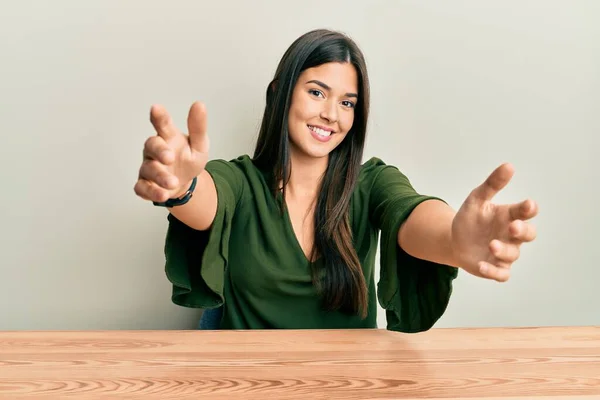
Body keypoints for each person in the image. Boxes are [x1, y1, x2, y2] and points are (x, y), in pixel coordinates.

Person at [134, 29, 538, 331]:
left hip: (349, 385)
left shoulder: (371, 184)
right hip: (249, 383)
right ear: (279, 93)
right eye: (316, 93)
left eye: (347, 103)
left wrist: (455, 240)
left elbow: (411, 213)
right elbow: (204, 199)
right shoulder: (240, 181)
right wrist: (181, 185)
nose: (332, 114)